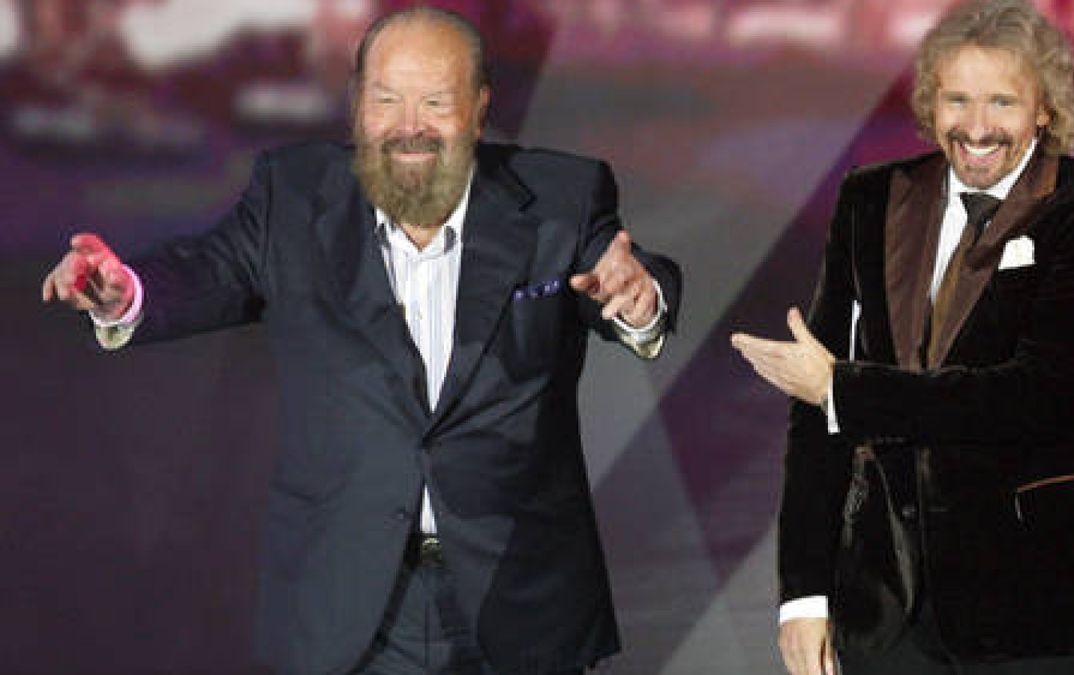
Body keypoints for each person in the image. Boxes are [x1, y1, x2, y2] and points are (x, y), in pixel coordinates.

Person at [41, 7, 681, 675]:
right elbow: (208, 268)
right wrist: (124, 291)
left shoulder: (560, 196)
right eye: (387, 99)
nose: (409, 125)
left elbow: (633, 278)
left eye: (436, 101)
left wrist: (640, 304)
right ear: (356, 106)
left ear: (479, 109)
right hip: (348, 603)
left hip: (519, 601)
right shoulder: (292, 195)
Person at [731, 1, 1074, 673]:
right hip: (882, 606)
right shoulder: (869, 199)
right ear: (931, 103)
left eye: (1003, 101)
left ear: (1045, 108)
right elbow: (817, 415)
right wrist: (803, 595)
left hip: (1032, 601)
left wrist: (844, 388)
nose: (977, 127)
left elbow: (1039, 396)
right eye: (957, 99)